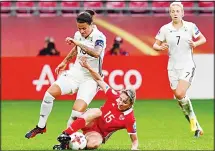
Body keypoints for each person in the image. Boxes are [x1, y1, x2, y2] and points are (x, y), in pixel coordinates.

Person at [25, 11, 106, 139]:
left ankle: (66, 138)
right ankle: (41, 127)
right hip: (76, 73)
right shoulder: (78, 34)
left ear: (91, 24)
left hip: (91, 78)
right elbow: (76, 49)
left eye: (84, 28)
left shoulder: (99, 37)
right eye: (79, 28)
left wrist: (78, 43)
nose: (81, 31)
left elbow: (96, 53)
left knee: (76, 113)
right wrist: (64, 61)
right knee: (49, 94)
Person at [53, 57, 139, 150]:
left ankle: (71, 144)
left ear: (130, 104)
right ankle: (65, 134)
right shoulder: (114, 95)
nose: (120, 102)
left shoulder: (130, 118)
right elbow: (99, 80)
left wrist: (134, 148)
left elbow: (134, 139)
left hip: (99, 134)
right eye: (120, 99)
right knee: (97, 111)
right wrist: (88, 67)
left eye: (124, 102)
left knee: (93, 145)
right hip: (90, 121)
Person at [152, 1, 206, 137]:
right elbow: (155, 45)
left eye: (178, 11)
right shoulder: (165, 29)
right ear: (170, 13)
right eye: (173, 11)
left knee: (181, 93)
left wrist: (195, 43)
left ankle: (194, 123)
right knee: (179, 97)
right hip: (172, 67)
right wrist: (160, 47)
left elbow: (202, 39)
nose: (175, 13)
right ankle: (196, 126)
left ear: (182, 13)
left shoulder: (190, 26)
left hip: (187, 64)